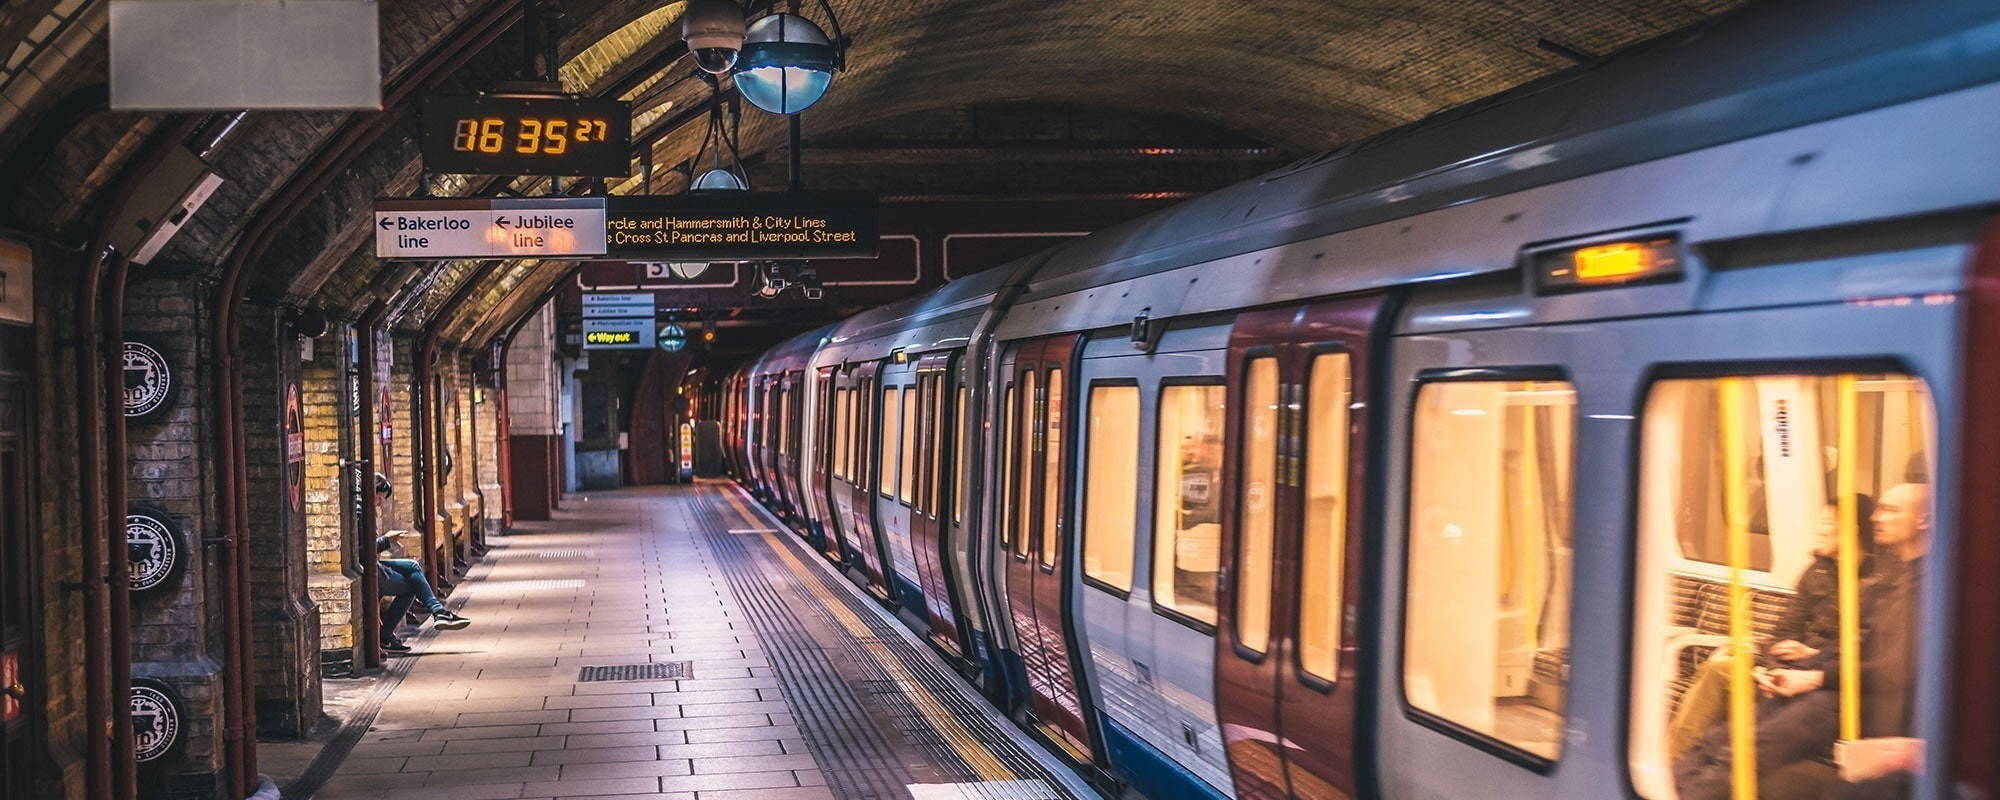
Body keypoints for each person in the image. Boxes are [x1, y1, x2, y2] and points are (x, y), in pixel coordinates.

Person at [1672, 483, 1928, 800]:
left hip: (1869, 699)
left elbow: (1892, 669)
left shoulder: (1924, 586)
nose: (1877, 517)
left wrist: (1813, 675)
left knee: (1748, 750)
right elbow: (1852, 647)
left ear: (1924, 519)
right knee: (1721, 737)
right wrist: (1795, 669)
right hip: (1836, 680)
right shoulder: (1895, 580)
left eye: (1891, 510)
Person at [1667, 496, 1877, 756]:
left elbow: (1861, 651)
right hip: (1786, 670)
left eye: (1827, 522)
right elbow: (1782, 634)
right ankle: (1673, 761)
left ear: (1850, 530)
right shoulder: (1817, 572)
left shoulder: (1875, 586)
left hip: (1823, 682)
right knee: (1719, 669)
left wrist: (1811, 658)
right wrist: (1771, 670)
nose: (1819, 530)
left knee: (1723, 675)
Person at [373, 476, 470, 653]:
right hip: (370, 568)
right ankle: (386, 637)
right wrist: (386, 541)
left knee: (412, 566)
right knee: (412, 586)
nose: (380, 503)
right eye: (379, 497)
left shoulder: (366, 510)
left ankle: (438, 611)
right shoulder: (358, 511)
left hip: (376, 563)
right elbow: (363, 548)